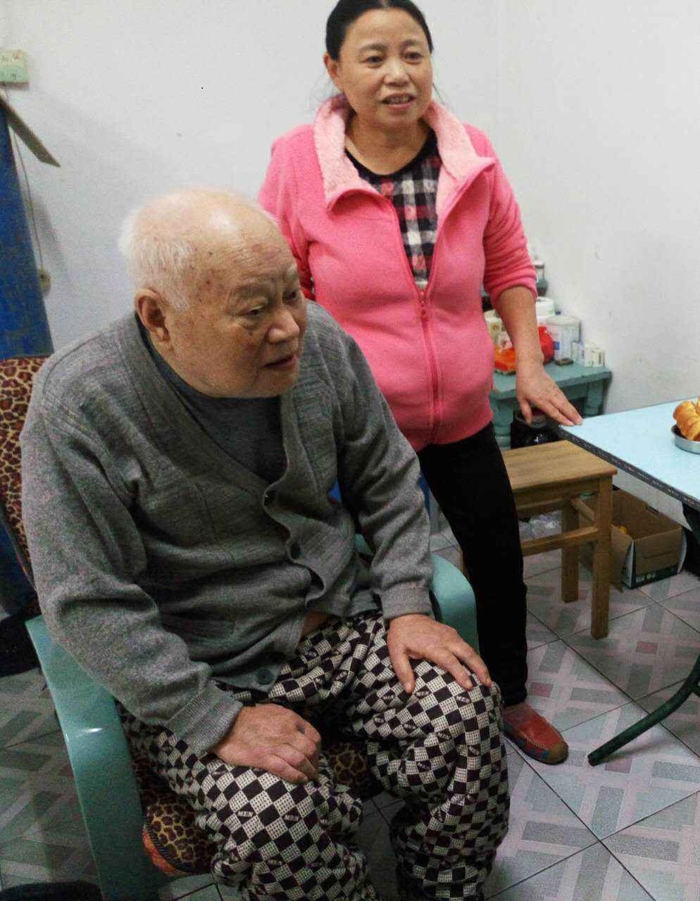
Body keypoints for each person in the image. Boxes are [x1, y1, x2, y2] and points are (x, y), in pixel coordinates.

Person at [21, 190, 509, 901]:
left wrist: (406, 601)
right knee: (273, 818)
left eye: (291, 294)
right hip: (197, 664)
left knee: (464, 710)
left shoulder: (323, 345)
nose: (288, 328)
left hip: (340, 622)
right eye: (253, 311)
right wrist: (212, 719)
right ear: (159, 317)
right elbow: (86, 601)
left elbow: (388, 477)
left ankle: (446, 889)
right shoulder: (80, 405)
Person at [260, 0, 583, 766]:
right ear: (335, 69)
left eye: (413, 53)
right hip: (359, 427)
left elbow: (509, 264)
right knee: (355, 572)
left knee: (496, 555)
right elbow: (281, 287)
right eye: (373, 57)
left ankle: (509, 694)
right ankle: (383, 706)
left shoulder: (472, 154)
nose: (397, 73)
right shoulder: (298, 161)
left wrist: (528, 363)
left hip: (464, 412)